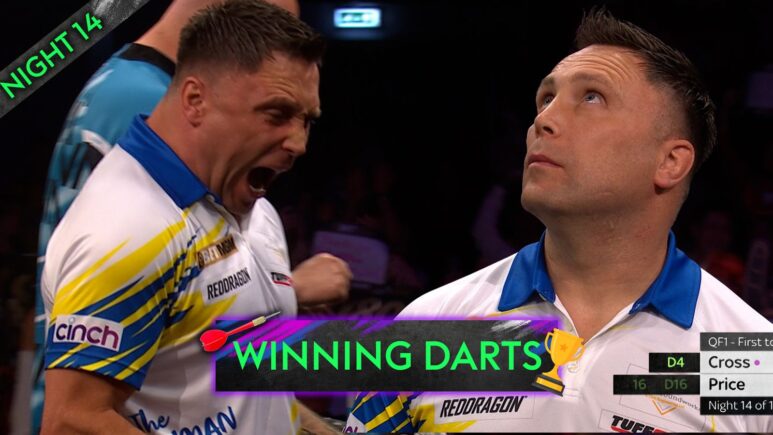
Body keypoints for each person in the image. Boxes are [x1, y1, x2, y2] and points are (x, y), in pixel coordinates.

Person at [345, 9, 773, 433]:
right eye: (546, 99)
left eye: (592, 98)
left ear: (670, 162)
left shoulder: (751, 362)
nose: (542, 120)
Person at [25, 0, 350, 433]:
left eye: (307, 121)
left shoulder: (254, 209)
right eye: (277, 114)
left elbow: (244, 391)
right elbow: (72, 422)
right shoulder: (128, 227)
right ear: (195, 100)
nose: (298, 143)